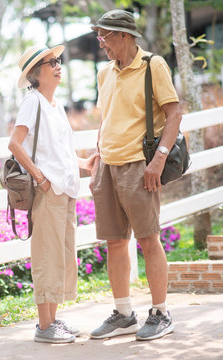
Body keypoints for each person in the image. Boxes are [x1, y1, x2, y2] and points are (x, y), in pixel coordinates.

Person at [89, 9, 182, 341]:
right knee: (115, 242)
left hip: (139, 165)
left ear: (124, 35)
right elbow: (107, 119)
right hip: (108, 166)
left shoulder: (152, 65)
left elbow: (174, 112)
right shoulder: (105, 74)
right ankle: (124, 313)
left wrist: (158, 159)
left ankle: (161, 313)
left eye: (106, 36)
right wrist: (97, 157)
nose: (101, 43)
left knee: (147, 238)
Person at [9, 44, 97, 343]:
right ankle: (44, 326)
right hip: (49, 192)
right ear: (36, 74)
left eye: (58, 61)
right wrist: (41, 179)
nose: (58, 66)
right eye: (50, 63)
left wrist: (84, 164)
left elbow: (59, 151)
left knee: (61, 256)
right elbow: (15, 145)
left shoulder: (55, 104)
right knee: (47, 256)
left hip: (66, 190)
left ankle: (53, 321)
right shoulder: (32, 102)